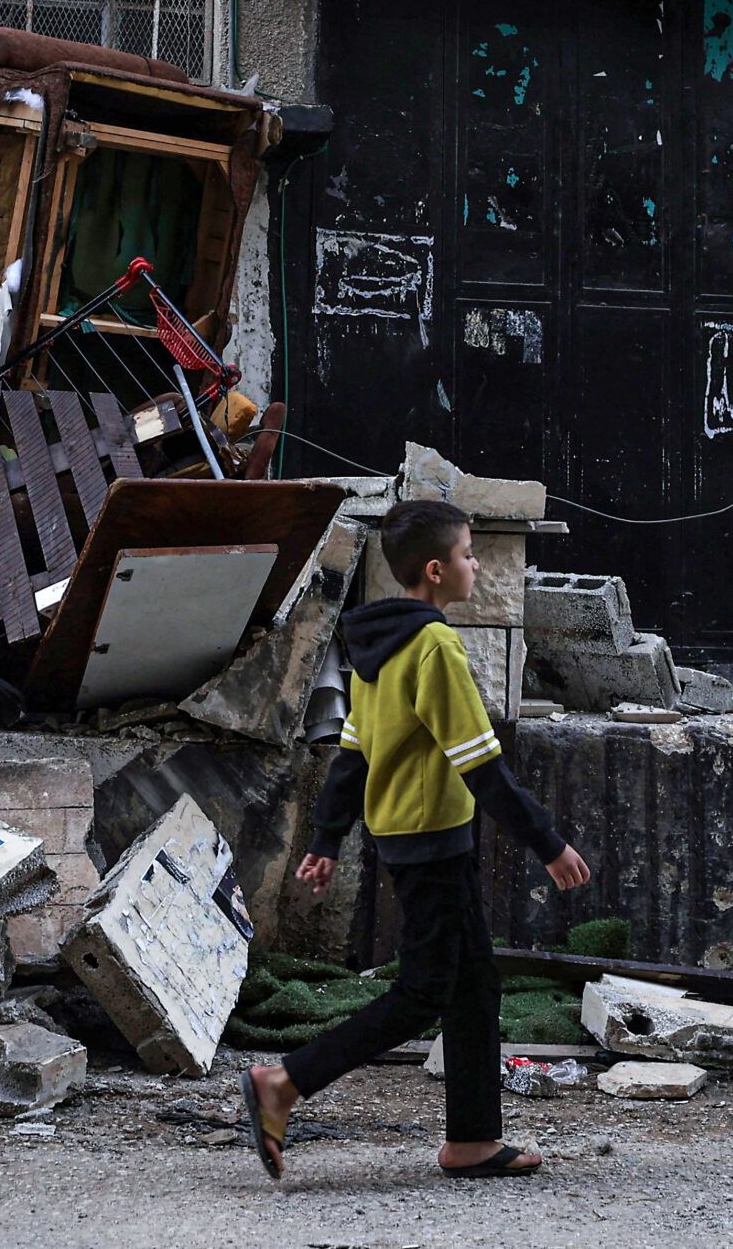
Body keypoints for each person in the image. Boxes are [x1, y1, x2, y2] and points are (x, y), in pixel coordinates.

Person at [240, 500, 591, 1181]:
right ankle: (284, 1081)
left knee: (474, 982)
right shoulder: (433, 648)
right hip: (433, 841)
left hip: (408, 839)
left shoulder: (378, 645)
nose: (476, 564)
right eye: (467, 554)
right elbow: (481, 767)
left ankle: (472, 1139)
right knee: (425, 990)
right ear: (435, 570)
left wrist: (327, 837)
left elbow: (353, 753)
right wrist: (546, 842)